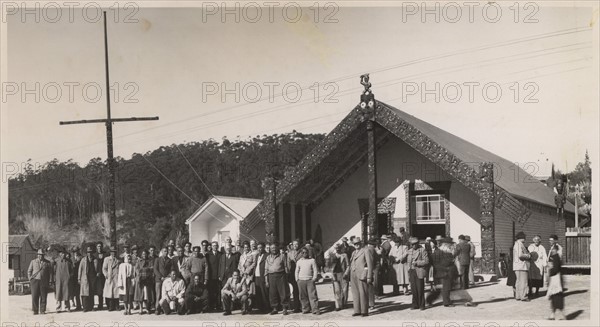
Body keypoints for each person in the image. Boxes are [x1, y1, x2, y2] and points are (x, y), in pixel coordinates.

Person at [345, 237, 372, 317]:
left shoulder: (365, 251)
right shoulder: (353, 252)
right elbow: (351, 263)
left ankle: (364, 311)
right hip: (353, 274)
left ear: (361, 243)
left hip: (361, 275)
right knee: (355, 293)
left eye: (358, 243)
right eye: (355, 244)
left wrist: (368, 275)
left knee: (363, 292)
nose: (356, 245)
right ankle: (357, 310)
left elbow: (369, 264)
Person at [426, 237, 456, 307]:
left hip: (444, 272)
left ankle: (429, 300)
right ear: (446, 244)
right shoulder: (441, 252)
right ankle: (446, 302)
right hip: (443, 272)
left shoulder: (444, 251)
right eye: (449, 244)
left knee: (441, 288)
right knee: (445, 288)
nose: (450, 245)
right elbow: (432, 260)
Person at [401, 237, 429, 311]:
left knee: (420, 289)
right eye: (412, 244)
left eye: (415, 244)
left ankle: (422, 305)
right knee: (413, 289)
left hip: (419, 271)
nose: (414, 246)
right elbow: (403, 259)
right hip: (412, 271)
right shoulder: (409, 251)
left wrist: (417, 263)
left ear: (418, 243)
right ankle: (415, 304)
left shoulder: (422, 250)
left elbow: (426, 261)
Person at [265, 242, 290, 315]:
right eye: (272, 248)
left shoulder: (282, 256)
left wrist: (287, 277)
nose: (274, 249)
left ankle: (284, 308)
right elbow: (266, 269)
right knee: (273, 293)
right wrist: (266, 280)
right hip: (271, 276)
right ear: (270, 249)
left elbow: (286, 266)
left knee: (283, 292)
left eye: (275, 248)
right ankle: (274, 308)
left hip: (281, 275)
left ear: (277, 248)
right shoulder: (268, 257)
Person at [295, 247, 320, 315]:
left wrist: (314, 278)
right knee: (303, 296)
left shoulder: (312, 260)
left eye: (306, 252)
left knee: (312, 295)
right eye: (302, 252)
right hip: (301, 280)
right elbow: (297, 271)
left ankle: (315, 309)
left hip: (310, 280)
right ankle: (305, 309)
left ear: (308, 253)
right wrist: (297, 279)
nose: (304, 253)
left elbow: (315, 270)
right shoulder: (299, 261)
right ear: (301, 253)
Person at [28, 248, 52, 315]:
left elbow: (50, 273)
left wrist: (49, 281)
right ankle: (35, 310)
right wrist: (30, 279)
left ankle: (42, 310)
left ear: (43, 255)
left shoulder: (47, 263)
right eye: (39, 255)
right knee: (34, 296)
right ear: (37, 255)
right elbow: (29, 271)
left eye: (41, 255)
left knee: (43, 296)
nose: (40, 256)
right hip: (35, 281)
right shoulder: (33, 262)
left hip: (44, 281)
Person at [546, 247, 566, 320]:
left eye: (554, 250)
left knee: (557, 297)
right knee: (553, 297)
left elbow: (556, 269)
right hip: (554, 279)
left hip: (556, 280)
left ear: (557, 250)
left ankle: (561, 315)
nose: (552, 251)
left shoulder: (556, 257)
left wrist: (550, 271)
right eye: (551, 250)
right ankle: (553, 314)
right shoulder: (553, 257)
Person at [513, 231, 531, 301]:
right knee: (523, 282)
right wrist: (528, 255)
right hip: (521, 265)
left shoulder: (517, 244)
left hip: (518, 266)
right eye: (524, 238)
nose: (525, 239)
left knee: (519, 282)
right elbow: (520, 255)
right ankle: (523, 296)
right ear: (522, 238)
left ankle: (518, 296)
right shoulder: (519, 244)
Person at [134, 249, 154, 315]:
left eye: (145, 254)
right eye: (143, 254)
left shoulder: (149, 261)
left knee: (147, 295)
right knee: (140, 295)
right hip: (140, 280)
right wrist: (140, 275)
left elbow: (151, 269)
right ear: (141, 255)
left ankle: (147, 308)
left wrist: (147, 273)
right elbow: (136, 269)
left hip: (148, 280)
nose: (144, 255)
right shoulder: (138, 261)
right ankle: (141, 309)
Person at [330, 243, 349, 310]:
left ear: (341, 248)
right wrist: (332, 274)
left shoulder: (344, 255)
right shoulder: (332, 256)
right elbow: (330, 267)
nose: (337, 249)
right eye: (336, 248)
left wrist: (346, 273)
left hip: (343, 273)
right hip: (335, 274)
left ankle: (344, 303)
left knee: (344, 290)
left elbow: (348, 265)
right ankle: (337, 305)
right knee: (337, 290)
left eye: (339, 248)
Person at [154, 247, 172, 315]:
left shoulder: (169, 260)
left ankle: (164, 309)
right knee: (158, 295)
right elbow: (155, 270)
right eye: (164, 251)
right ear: (161, 252)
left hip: (166, 280)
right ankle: (157, 309)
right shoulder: (157, 259)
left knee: (165, 295)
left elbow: (171, 269)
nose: (166, 252)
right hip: (158, 280)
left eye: (167, 251)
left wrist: (167, 277)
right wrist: (161, 277)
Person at [286, 240, 303, 313]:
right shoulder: (289, 254)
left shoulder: (302, 252)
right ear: (292, 245)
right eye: (294, 244)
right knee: (295, 290)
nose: (295, 246)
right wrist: (288, 272)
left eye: (297, 244)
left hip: (301, 272)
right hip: (292, 272)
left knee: (302, 290)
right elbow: (288, 264)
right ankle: (296, 307)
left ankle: (304, 306)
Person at [78, 247, 96, 312]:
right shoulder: (83, 260)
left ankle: (91, 307)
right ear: (87, 253)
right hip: (85, 278)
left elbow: (97, 268)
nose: (89, 253)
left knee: (91, 293)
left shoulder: (94, 259)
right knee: (85, 293)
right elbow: (80, 269)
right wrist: (79, 278)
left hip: (92, 279)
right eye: (88, 252)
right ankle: (85, 307)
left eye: (90, 252)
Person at [103, 246, 121, 311]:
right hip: (109, 278)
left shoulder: (118, 260)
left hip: (116, 278)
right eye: (112, 252)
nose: (113, 253)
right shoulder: (107, 259)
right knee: (109, 293)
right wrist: (106, 275)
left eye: (115, 252)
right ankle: (110, 306)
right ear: (110, 252)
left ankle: (117, 306)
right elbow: (104, 269)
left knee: (116, 293)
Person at [206, 241, 222, 312]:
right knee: (211, 292)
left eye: (216, 245)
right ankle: (211, 306)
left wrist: (220, 275)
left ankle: (218, 306)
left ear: (217, 246)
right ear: (211, 247)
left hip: (218, 276)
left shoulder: (220, 254)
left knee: (218, 291)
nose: (214, 247)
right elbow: (207, 266)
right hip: (210, 277)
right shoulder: (208, 255)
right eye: (213, 246)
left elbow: (222, 266)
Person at [254, 242, 270, 313]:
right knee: (258, 293)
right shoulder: (257, 255)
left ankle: (267, 308)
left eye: (260, 247)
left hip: (263, 276)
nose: (259, 249)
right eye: (258, 248)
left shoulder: (267, 255)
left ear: (263, 248)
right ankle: (260, 308)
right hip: (257, 276)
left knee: (264, 293)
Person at [94, 242, 106, 310]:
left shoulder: (105, 254)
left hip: (105, 275)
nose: (99, 247)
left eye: (100, 246)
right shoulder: (95, 255)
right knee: (99, 290)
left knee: (106, 289)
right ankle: (100, 304)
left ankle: (108, 303)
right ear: (96, 247)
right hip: (98, 275)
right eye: (98, 246)